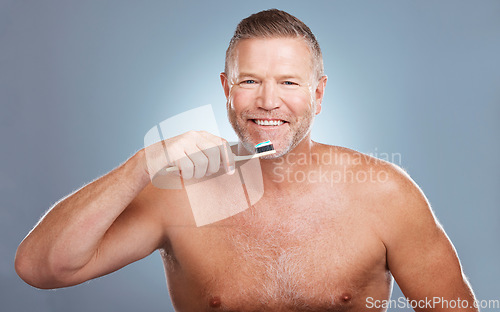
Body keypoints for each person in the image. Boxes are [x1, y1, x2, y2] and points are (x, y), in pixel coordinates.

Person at [15, 9, 478, 311]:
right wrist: (143, 163)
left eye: (290, 83)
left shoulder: (384, 193)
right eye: (250, 81)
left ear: (318, 94)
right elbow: (42, 269)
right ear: (226, 88)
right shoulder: (177, 195)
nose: (268, 101)